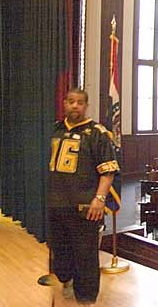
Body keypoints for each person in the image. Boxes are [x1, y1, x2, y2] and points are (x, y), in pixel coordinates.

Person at [37, 87, 121, 303]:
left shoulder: (97, 133)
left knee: (85, 255)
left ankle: (86, 297)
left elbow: (108, 171)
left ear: (86, 106)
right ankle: (67, 279)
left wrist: (99, 199)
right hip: (57, 203)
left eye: (80, 102)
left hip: (85, 205)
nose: (75, 105)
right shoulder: (55, 130)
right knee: (61, 250)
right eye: (71, 101)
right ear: (64, 103)